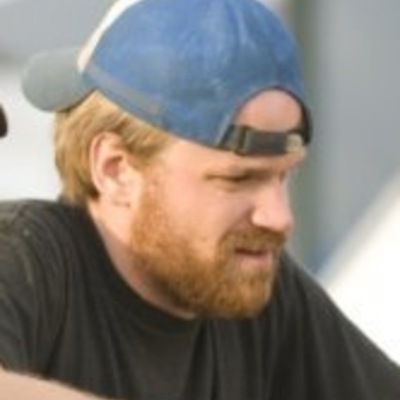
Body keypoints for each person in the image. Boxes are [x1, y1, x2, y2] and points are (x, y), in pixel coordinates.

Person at [0, 0, 399, 398]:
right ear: (116, 170)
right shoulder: (27, 255)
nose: (279, 217)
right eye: (237, 179)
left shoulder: (258, 287)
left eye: (283, 175)